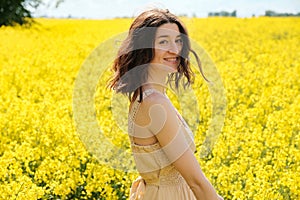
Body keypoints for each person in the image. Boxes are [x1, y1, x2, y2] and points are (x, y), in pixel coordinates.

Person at [108, 8, 223, 200]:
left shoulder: (146, 95)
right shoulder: (155, 103)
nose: (174, 49)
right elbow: (195, 181)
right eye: (163, 42)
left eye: (178, 41)